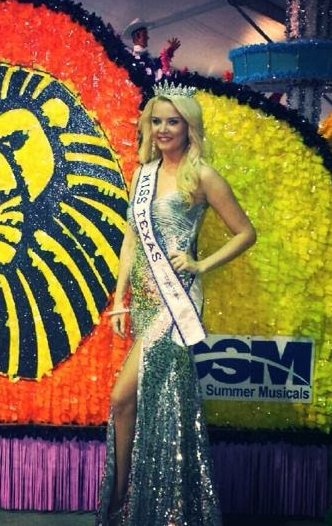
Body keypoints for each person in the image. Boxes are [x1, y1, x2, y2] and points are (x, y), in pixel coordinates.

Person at [97, 83, 256, 525]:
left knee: (127, 399)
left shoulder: (202, 176)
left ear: (189, 127)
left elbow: (246, 233)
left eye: (174, 121)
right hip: (145, 303)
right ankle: (136, 503)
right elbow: (132, 238)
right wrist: (119, 297)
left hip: (176, 304)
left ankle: (135, 504)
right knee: (146, 403)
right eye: (157, 120)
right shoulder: (142, 174)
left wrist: (200, 263)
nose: (164, 128)